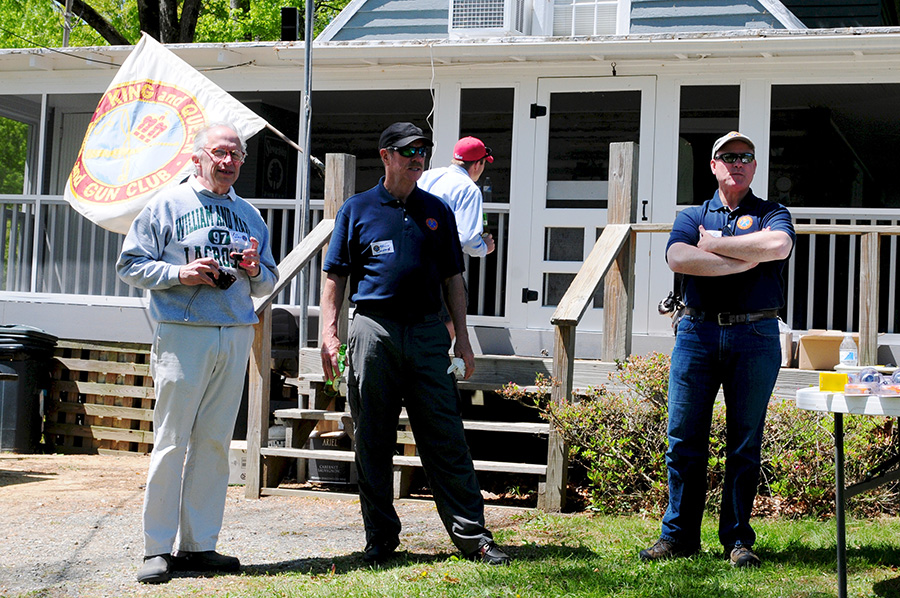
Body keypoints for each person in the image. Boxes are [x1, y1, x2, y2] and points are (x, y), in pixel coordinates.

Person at [319, 122, 511, 567]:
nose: (417, 158)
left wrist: (463, 339)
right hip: (373, 331)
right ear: (385, 156)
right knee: (373, 437)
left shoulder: (437, 210)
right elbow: (335, 276)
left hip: (428, 332)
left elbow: (453, 278)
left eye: (423, 150)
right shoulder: (357, 209)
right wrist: (329, 334)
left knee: (446, 436)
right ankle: (380, 540)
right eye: (408, 151)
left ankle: (473, 537)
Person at [117, 122, 278, 584]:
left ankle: (199, 545)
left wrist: (254, 269)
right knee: (171, 440)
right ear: (197, 158)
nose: (227, 162)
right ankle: (156, 549)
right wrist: (179, 274)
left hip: (235, 332)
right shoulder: (167, 204)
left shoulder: (250, 214)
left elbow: (268, 281)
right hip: (183, 334)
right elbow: (129, 265)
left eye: (235, 155)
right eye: (219, 153)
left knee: (214, 443)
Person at [639, 131, 794, 568]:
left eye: (745, 156)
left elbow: (779, 245)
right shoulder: (693, 215)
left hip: (756, 334)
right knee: (683, 439)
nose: (737, 163)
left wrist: (714, 246)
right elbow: (678, 258)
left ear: (755, 166)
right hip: (697, 333)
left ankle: (738, 540)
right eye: (728, 156)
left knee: (744, 443)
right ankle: (679, 536)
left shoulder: (773, 213)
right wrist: (747, 257)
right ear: (713, 165)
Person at [417, 136, 496, 259]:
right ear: (476, 165)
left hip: (412, 253)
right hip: (438, 261)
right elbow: (468, 240)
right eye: (484, 163)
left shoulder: (427, 176)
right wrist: (484, 248)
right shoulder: (469, 189)